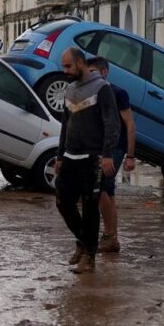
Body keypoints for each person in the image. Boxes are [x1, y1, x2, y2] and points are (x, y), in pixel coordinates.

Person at [55, 47, 120, 274]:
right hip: (70, 158)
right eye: (64, 66)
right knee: (63, 202)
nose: (65, 71)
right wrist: (60, 156)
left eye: (68, 66)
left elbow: (112, 123)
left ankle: (89, 257)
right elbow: (65, 125)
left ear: (81, 63)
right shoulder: (70, 90)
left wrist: (107, 155)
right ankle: (83, 242)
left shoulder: (102, 89)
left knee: (91, 208)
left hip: (93, 159)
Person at [87, 56, 136, 253]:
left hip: (115, 148)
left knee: (100, 188)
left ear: (104, 72)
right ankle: (112, 238)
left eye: (93, 72)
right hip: (99, 148)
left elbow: (130, 124)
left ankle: (108, 236)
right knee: (109, 191)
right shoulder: (90, 93)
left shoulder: (118, 93)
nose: (89, 76)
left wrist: (130, 156)